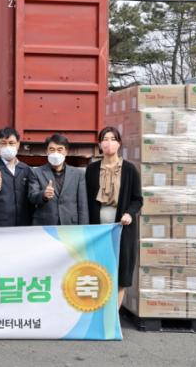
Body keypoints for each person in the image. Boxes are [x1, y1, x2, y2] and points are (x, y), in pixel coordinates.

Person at [85, 126, 143, 308]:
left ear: (119, 144)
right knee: (98, 268)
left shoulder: (129, 170)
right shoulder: (92, 170)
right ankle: (97, 312)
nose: (108, 143)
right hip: (98, 229)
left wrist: (129, 213)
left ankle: (113, 316)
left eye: (113, 139)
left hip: (122, 227)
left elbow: (137, 199)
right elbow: (85, 198)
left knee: (120, 270)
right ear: (99, 144)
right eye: (105, 139)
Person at [28, 133, 89, 226]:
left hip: (70, 225)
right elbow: (32, 197)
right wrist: (43, 195)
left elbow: (82, 205)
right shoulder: (36, 172)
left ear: (66, 152)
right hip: (45, 225)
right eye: (52, 149)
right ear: (46, 151)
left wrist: (83, 228)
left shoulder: (78, 174)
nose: (55, 153)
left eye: (59, 149)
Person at [0, 127, 32, 227]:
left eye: (11, 143)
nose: (7, 146)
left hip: (22, 225)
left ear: (18, 144)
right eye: (3, 143)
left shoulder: (26, 169)